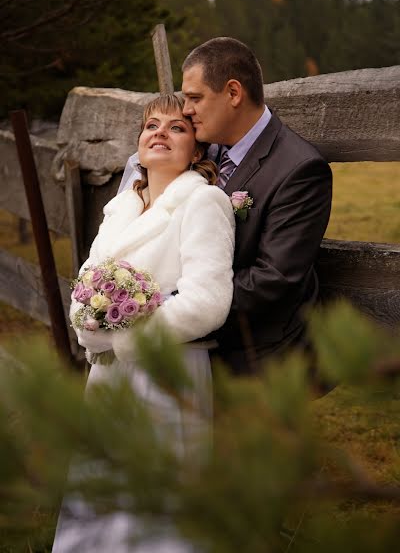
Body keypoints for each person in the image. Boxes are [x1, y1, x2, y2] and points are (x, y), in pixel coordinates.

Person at [51, 94, 235, 552]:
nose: (160, 133)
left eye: (177, 128)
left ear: (196, 151)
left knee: (157, 507)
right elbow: (85, 288)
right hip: (108, 375)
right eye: (152, 125)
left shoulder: (204, 201)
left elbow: (207, 300)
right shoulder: (120, 211)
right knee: (100, 496)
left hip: (166, 371)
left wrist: (131, 339)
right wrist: (90, 328)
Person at [120, 37, 332, 377]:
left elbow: (274, 277)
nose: (185, 110)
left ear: (233, 93)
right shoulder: (204, 150)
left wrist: (174, 306)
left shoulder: (300, 169)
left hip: (257, 356)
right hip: (191, 342)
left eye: (195, 98)